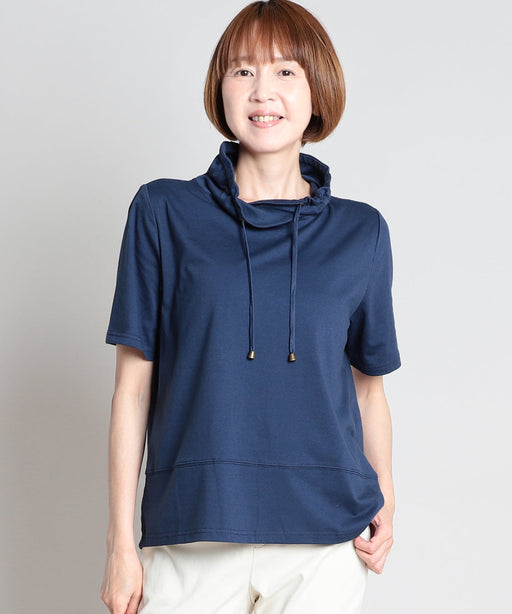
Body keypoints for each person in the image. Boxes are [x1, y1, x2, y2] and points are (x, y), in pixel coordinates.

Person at [100, 1, 401, 612]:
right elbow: (132, 389)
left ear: (318, 92)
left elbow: (368, 388)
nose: (263, 91)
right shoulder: (163, 212)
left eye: (286, 71)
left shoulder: (361, 231)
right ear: (221, 89)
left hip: (325, 539)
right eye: (243, 71)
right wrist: (119, 544)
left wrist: (387, 497)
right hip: (193, 529)